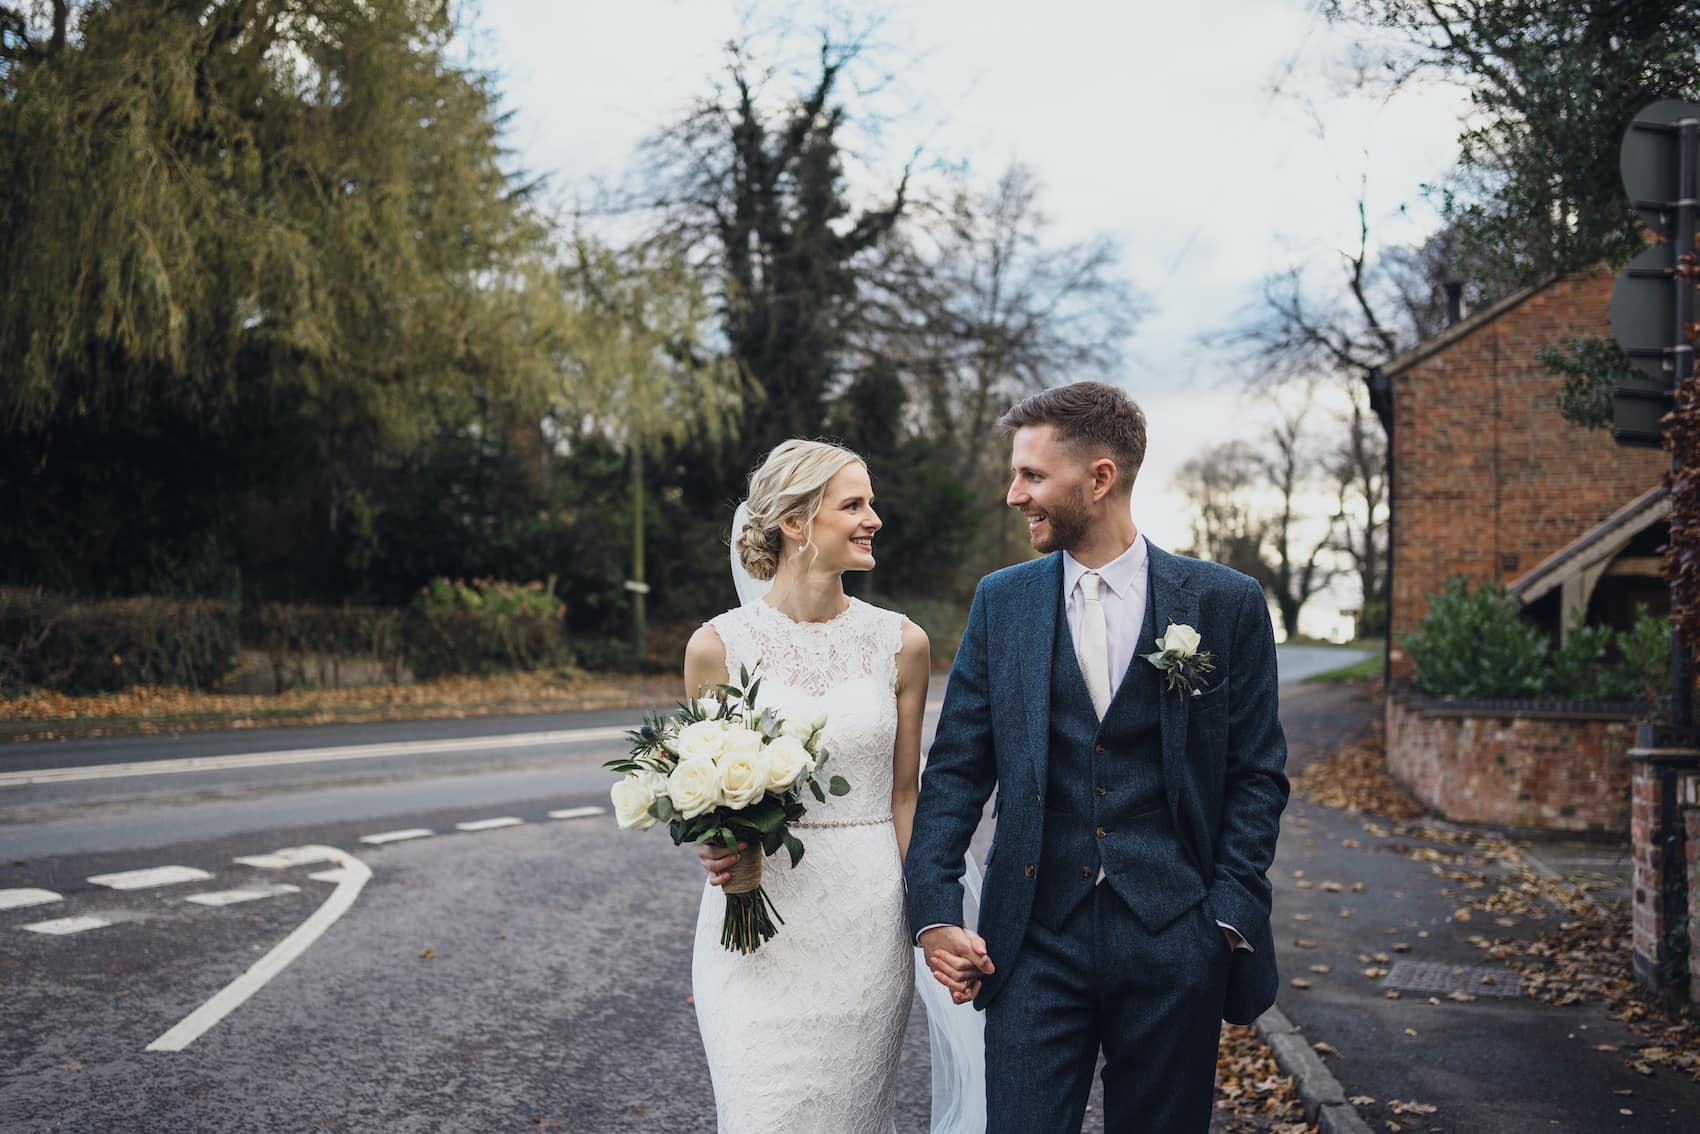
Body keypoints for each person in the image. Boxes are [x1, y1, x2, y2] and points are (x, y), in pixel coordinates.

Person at [905, 381, 1290, 1133]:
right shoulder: (1002, 601)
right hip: (1033, 942)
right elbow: (954, 771)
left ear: (1100, 477)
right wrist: (935, 913)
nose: (1013, 494)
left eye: (1032, 475)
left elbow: (1257, 773)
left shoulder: (1224, 602)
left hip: (1178, 942)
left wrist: (1224, 921)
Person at [683, 438, 937, 1133]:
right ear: (795, 523)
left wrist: (929, 916)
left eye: (872, 503)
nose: (873, 518)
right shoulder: (717, 646)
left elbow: (905, 795)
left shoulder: (901, 643)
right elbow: (706, 784)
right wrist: (713, 843)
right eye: (853, 504)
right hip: (753, 922)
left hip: (865, 920)